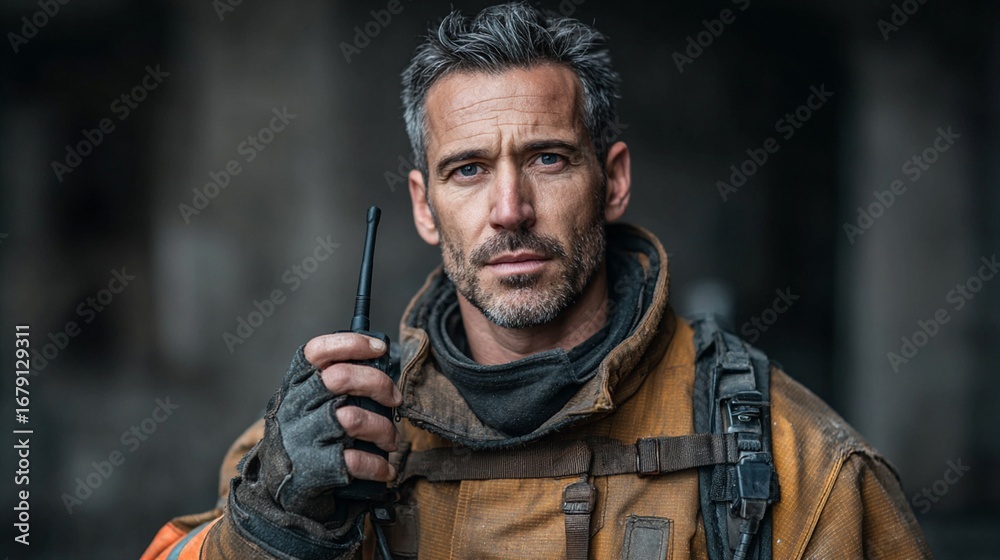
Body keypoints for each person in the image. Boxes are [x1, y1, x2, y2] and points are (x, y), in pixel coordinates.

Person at [142, 3, 934, 559]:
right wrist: (266, 533)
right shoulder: (325, 447)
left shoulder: (797, 466)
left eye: (548, 158)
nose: (509, 210)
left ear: (612, 180)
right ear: (425, 207)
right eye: (467, 170)